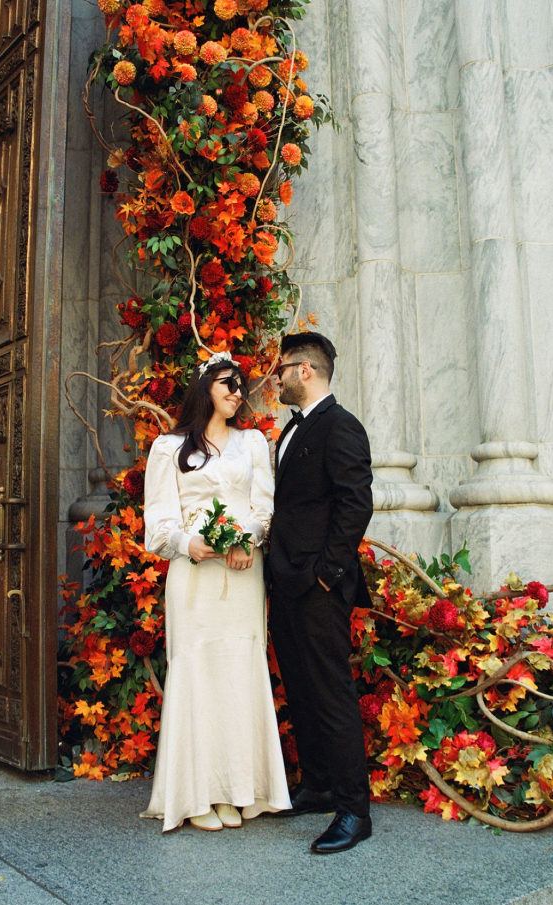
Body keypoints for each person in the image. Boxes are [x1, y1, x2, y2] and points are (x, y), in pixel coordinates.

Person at [140, 351, 291, 832]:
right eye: (227, 383)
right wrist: (190, 543)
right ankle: (199, 794)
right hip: (195, 578)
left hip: (243, 573)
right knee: (197, 672)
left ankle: (241, 791)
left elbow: (265, 506)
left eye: (240, 385)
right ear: (204, 388)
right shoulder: (169, 448)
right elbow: (157, 524)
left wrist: (246, 540)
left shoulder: (252, 443)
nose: (236, 392)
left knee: (239, 674)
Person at [268, 332, 374, 854]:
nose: (276, 378)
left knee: (330, 693)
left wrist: (327, 575)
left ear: (304, 370)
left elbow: (355, 505)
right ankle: (318, 785)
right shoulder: (291, 432)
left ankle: (354, 809)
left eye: (280, 369)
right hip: (285, 583)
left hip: (317, 586)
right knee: (302, 688)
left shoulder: (341, 426)